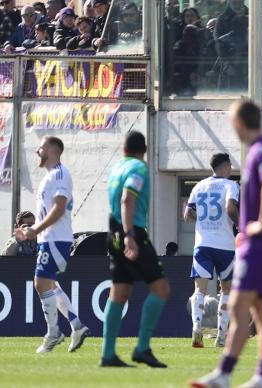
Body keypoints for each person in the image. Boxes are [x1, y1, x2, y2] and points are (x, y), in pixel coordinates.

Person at [191, 101, 262, 388]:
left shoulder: (260, 150)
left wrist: (261, 222)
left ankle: (224, 374)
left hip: (259, 243)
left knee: (239, 305)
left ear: (242, 123)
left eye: (233, 122)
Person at [14, 136, 90, 353]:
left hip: (56, 239)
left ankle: (54, 333)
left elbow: (59, 208)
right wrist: (29, 231)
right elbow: (49, 211)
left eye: (41, 146)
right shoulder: (50, 176)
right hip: (50, 238)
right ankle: (76, 325)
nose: (37, 150)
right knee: (51, 285)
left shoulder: (59, 174)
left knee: (40, 283)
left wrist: (35, 230)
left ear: (53, 150)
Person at [101, 131, 170, 368]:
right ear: (145, 150)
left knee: (119, 292)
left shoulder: (116, 168)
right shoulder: (139, 169)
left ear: (124, 149)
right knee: (161, 288)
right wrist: (130, 235)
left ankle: (108, 353)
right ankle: (142, 348)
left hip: (114, 233)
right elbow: (127, 199)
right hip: (132, 233)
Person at [184, 153, 239, 349]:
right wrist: (240, 225)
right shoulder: (230, 185)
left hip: (203, 243)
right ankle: (221, 336)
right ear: (224, 167)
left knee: (199, 289)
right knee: (227, 290)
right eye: (230, 165)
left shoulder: (198, 186)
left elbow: (187, 214)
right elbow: (231, 208)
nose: (231, 169)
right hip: (225, 245)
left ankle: (197, 327)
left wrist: (203, 221)